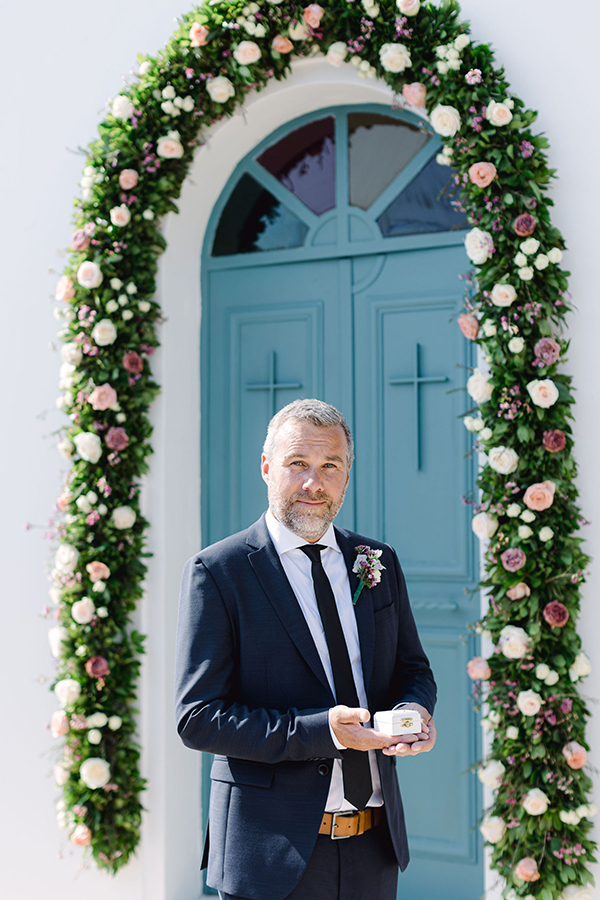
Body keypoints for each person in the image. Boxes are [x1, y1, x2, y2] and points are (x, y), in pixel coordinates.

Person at [174, 399, 437, 900]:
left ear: (347, 473)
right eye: (298, 464)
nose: (313, 484)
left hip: (374, 847)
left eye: (329, 466)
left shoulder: (377, 561)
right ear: (267, 467)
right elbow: (198, 717)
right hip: (269, 859)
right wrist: (322, 732)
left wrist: (412, 714)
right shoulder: (219, 572)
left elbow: (413, 669)